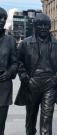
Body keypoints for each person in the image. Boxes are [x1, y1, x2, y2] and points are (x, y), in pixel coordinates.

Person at [15, 13, 57, 135]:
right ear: (35, 26)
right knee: (31, 116)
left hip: (50, 84)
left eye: (46, 25)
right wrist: (23, 76)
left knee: (47, 117)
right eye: (40, 25)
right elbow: (18, 61)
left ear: (50, 26)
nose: (43, 27)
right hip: (32, 83)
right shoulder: (25, 43)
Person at [0, 7, 18, 135]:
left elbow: (15, 62)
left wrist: (9, 72)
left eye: (4, 18)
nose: (2, 21)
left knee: (1, 122)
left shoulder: (10, 40)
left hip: (3, 85)